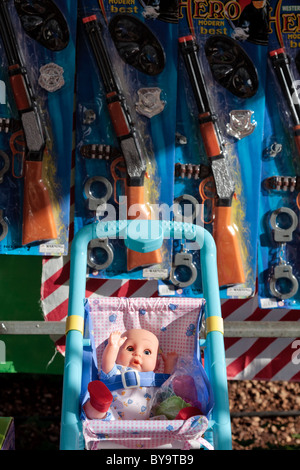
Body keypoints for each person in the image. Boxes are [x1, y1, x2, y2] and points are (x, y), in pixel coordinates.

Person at [83, 329, 178, 420]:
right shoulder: (119, 370)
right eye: (130, 349)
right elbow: (107, 365)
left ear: (157, 365)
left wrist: (169, 365)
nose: (137, 354)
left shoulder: (154, 379)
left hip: (147, 424)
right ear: (117, 356)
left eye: (147, 352)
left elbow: (166, 388)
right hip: (114, 419)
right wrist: (112, 347)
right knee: (98, 412)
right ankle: (98, 406)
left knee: (164, 415)